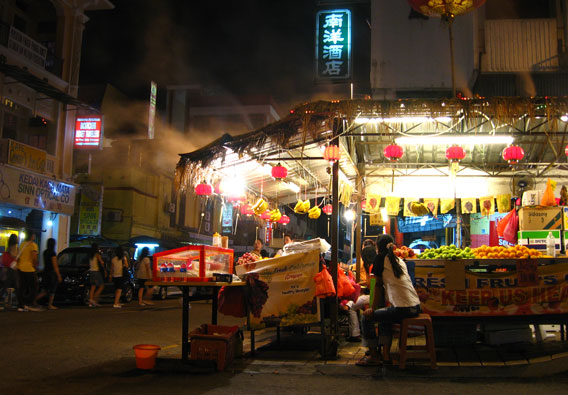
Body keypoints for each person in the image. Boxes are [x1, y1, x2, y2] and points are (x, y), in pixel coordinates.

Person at [357, 234, 421, 366]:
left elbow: (378, 288)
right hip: (415, 306)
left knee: (366, 318)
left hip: (403, 309)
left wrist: (372, 309)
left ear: (377, 248)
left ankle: (374, 356)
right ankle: (385, 356)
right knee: (384, 317)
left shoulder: (380, 260)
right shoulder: (399, 260)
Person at [16, 230, 42, 312]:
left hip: (20, 268)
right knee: (34, 286)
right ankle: (29, 303)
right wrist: (35, 267)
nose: (34, 236)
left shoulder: (22, 244)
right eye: (34, 234)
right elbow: (34, 257)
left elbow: (19, 256)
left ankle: (21, 304)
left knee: (22, 287)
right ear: (31, 236)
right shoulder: (33, 245)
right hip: (29, 268)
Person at [36, 238, 62, 310]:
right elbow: (55, 265)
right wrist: (59, 275)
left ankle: (34, 299)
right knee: (52, 290)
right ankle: (50, 304)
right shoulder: (53, 253)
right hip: (51, 273)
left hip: (45, 272)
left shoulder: (45, 252)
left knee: (45, 290)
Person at [1, 234, 19, 309]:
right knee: (17, 286)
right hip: (12, 269)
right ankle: (18, 303)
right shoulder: (14, 247)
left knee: (6, 286)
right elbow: (14, 256)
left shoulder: (8, 247)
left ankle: (5, 301)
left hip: (7, 268)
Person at [87, 243, 105, 307]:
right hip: (96, 271)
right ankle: (95, 299)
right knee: (101, 286)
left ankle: (91, 301)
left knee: (93, 287)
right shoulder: (97, 254)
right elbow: (101, 262)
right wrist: (104, 268)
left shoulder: (90, 255)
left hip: (91, 271)